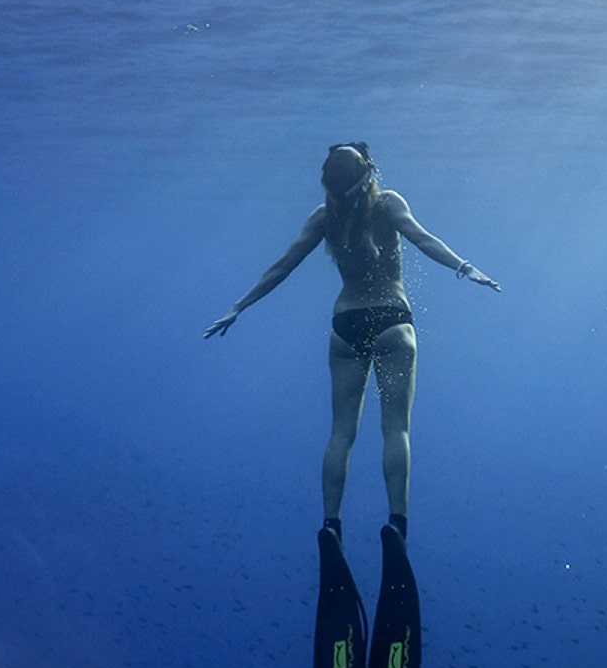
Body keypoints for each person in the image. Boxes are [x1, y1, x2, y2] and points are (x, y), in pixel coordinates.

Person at [204, 142, 499, 544]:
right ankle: (397, 523)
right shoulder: (389, 205)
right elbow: (423, 239)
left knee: (340, 433)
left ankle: (331, 525)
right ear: (370, 174)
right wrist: (466, 267)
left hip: (347, 325)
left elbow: (283, 266)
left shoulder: (323, 218)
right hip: (392, 321)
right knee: (396, 430)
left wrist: (239, 306)